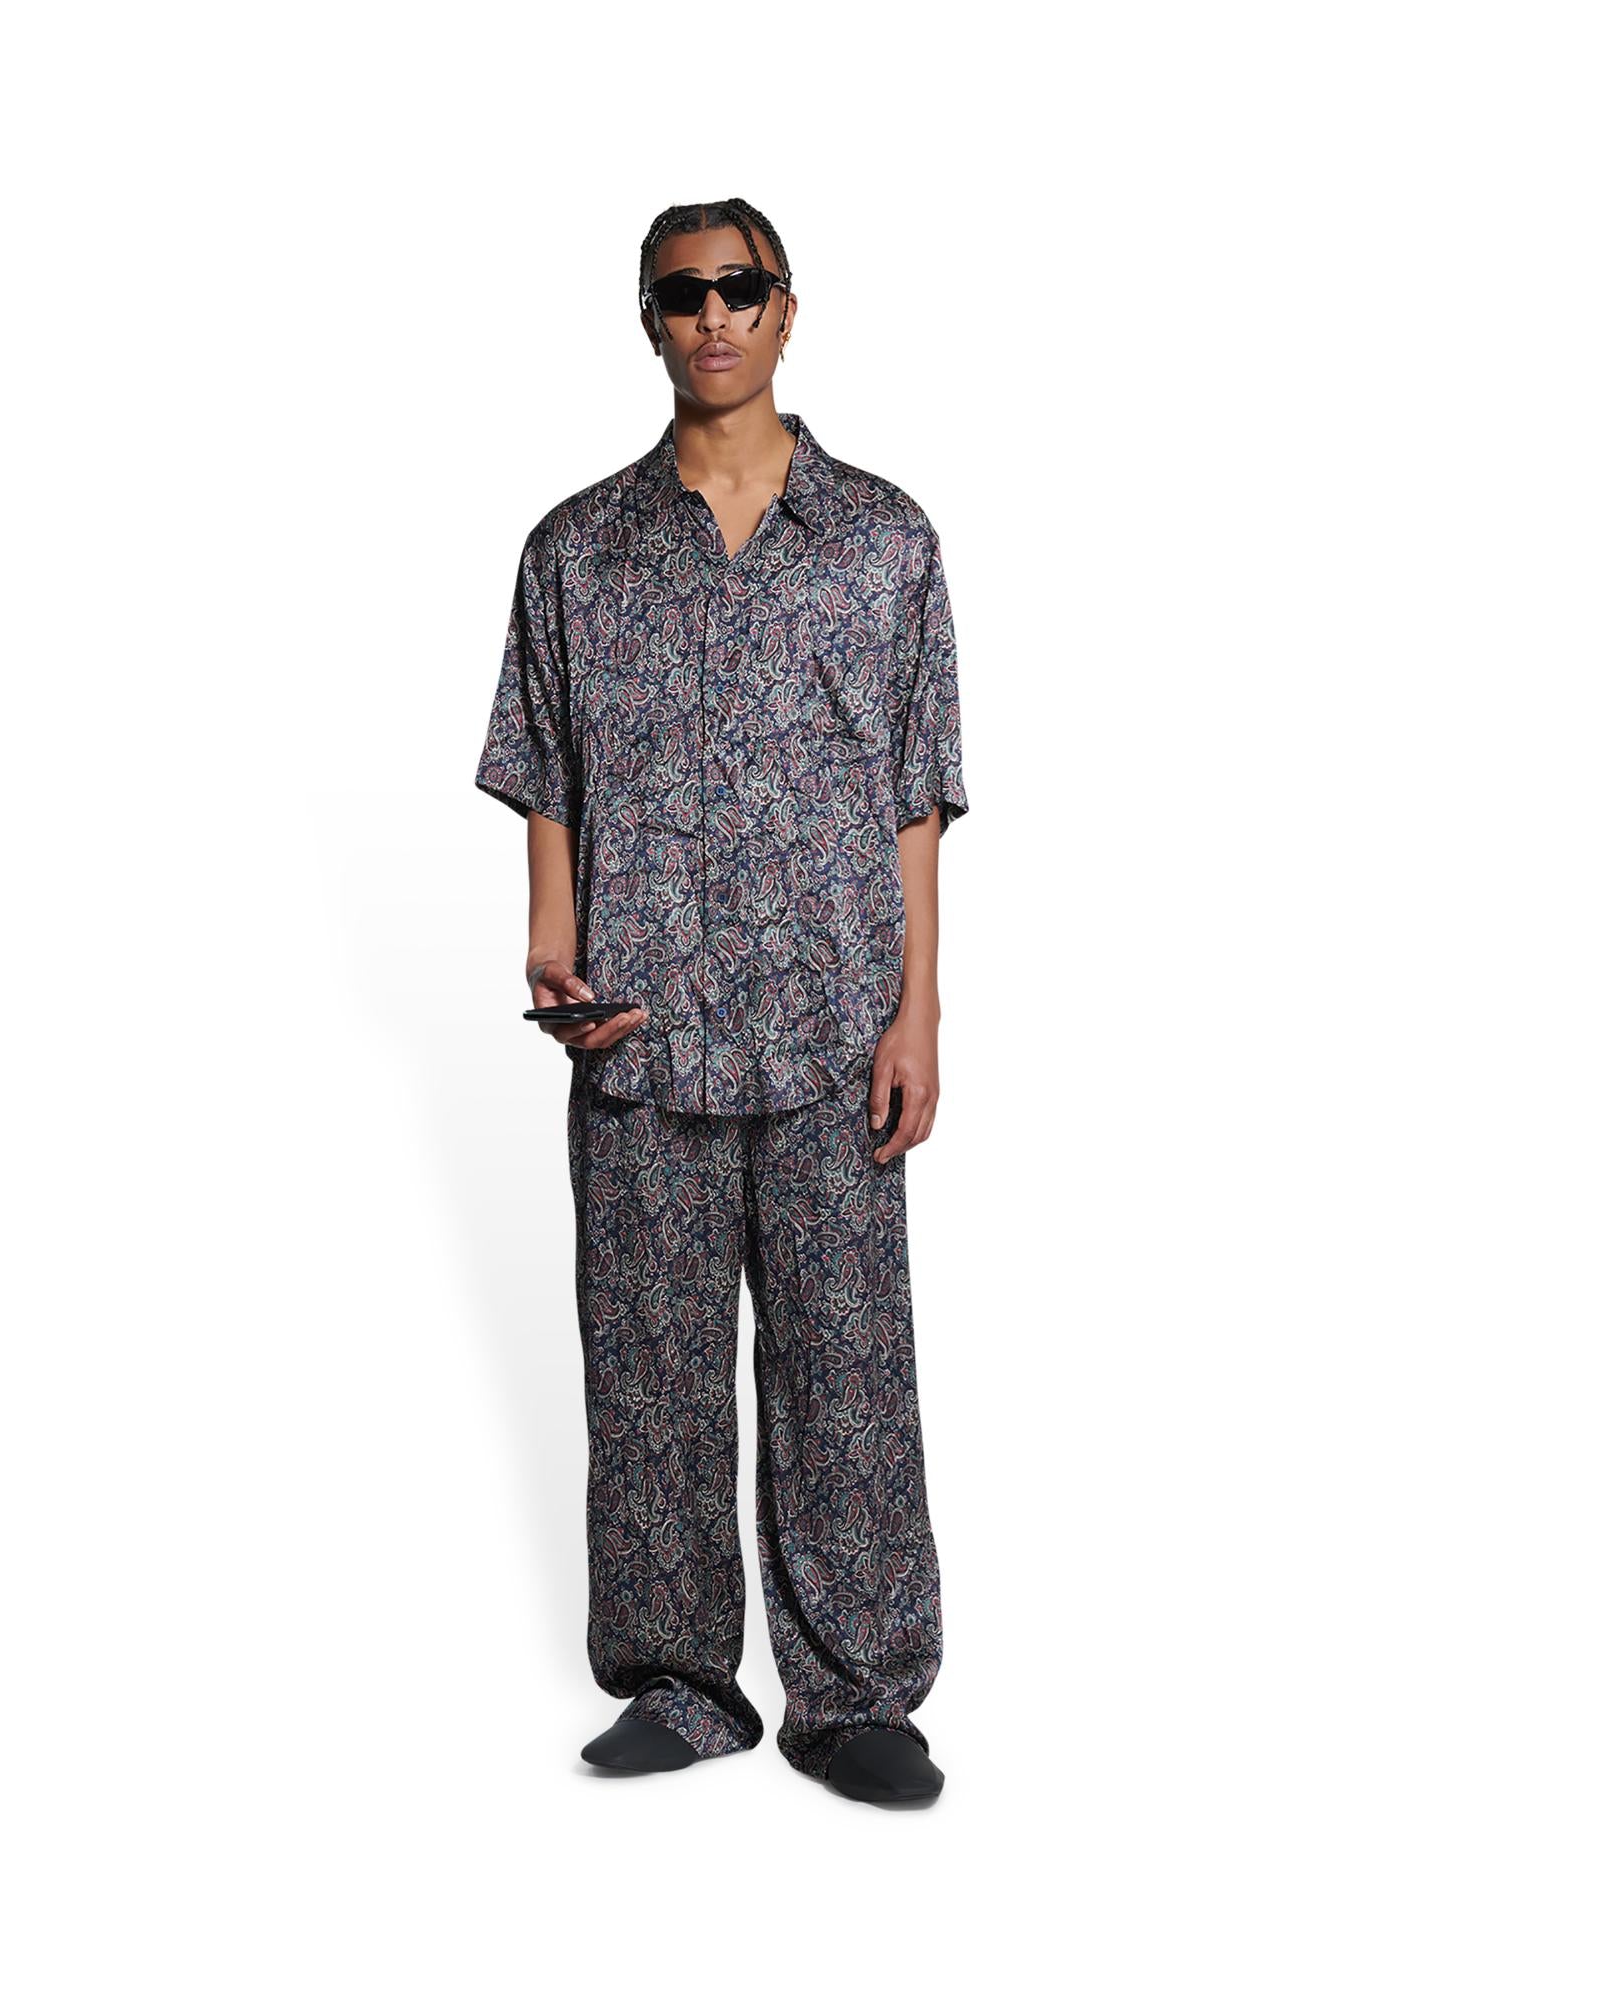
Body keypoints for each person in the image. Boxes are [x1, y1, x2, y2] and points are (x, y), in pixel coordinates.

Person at [472, 198, 968, 1806]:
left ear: (786, 310)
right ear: (650, 320)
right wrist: (551, 942)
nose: (712, 317)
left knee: (848, 1376)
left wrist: (920, 1015)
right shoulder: (577, 550)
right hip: (644, 1027)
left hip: (834, 1031)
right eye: (681, 294)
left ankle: (856, 1697)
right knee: (651, 1375)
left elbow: (916, 794)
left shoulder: (884, 541)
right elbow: (547, 771)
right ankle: (682, 1685)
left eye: (738, 289)